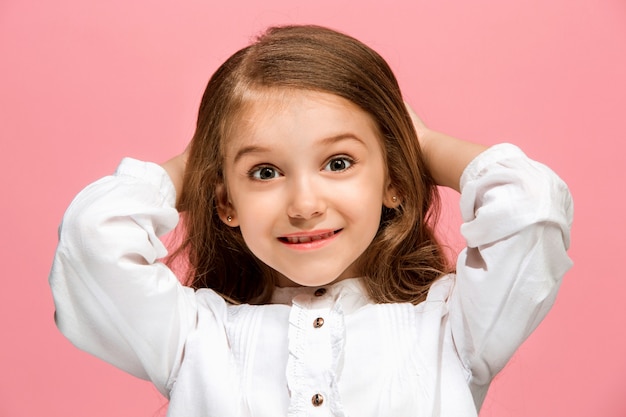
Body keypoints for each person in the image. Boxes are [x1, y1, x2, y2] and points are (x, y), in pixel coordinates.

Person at [49, 25, 573, 417]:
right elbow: (92, 237)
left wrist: (425, 148)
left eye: (338, 163)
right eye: (264, 171)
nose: (304, 203)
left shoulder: (452, 331)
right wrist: (199, 162)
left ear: (392, 178)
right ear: (225, 203)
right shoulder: (194, 337)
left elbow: (532, 207)